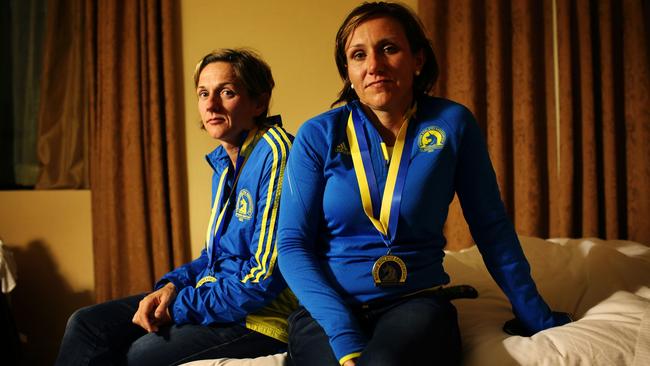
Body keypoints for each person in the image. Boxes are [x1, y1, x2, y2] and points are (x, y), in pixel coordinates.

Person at [277, 2, 571, 366]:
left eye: (389, 48)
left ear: (417, 60)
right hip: (329, 308)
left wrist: (534, 315)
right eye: (358, 55)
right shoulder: (318, 134)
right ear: (349, 72)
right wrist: (341, 331)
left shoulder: (453, 123)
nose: (374, 66)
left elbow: (491, 228)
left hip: (414, 304)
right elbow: (291, 244)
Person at [55, 48, 295, 365]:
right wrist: (171, 286)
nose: (210, 105)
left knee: (142, 354)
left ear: (259, 102)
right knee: (86, 324)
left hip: (259, 318)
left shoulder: (275, 152)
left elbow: (263, 277)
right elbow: (213, 256)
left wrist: (179, 305)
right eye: (203, 93)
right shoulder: (225, 164)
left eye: (227, 92)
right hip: (216, 297)